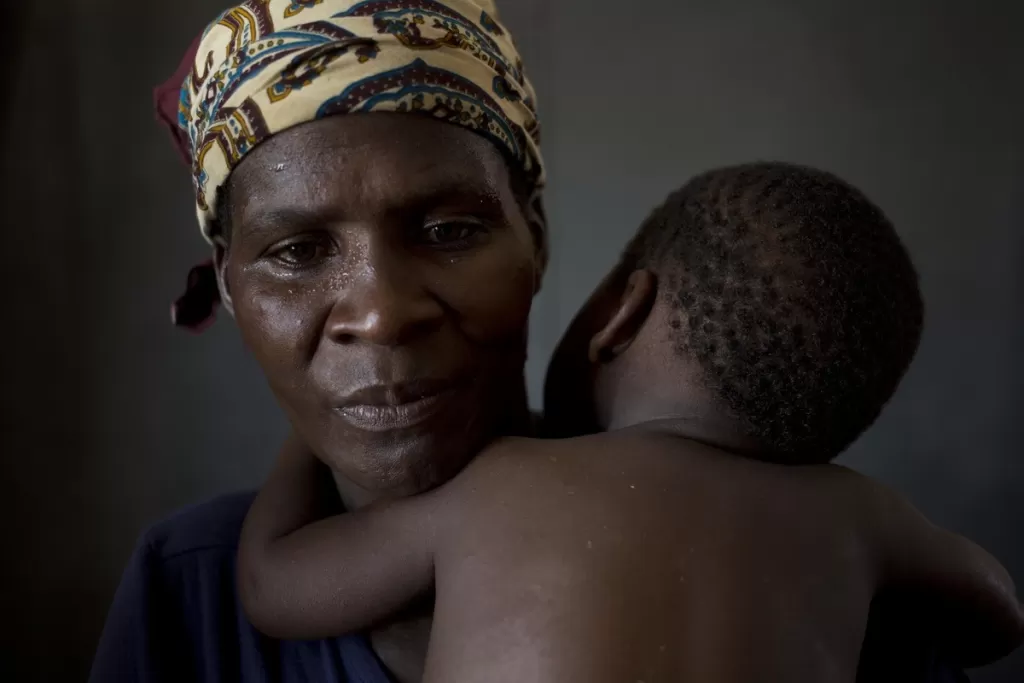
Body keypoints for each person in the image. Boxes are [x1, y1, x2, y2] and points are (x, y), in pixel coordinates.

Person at [88, 1, 998, 681]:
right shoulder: (184, 595)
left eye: (448, 229)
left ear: (538, 243)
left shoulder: (866, 611)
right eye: (295, 252)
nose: (383, 312)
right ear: (233, 288)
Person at [235, 163, 1024, 682]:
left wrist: (311, 431)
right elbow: (998, 608)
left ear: (622, 312)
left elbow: (275, 585)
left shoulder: (503, 485)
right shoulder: (863, 517)